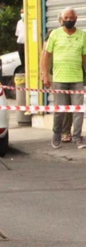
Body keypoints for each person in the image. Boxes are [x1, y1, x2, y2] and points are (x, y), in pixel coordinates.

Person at [41, 8, 86, 149]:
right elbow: (46, 56)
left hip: (77, 78)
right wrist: (45, 75)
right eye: (66, 17)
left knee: (78, 110)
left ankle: (77, 137)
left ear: (76, 18)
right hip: (59, 79)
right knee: (59, 110)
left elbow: (85, 57)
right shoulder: (54, 34)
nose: (68, 20)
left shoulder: (82, 35)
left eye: (71, 17)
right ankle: (56, 134)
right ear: (61, 19)